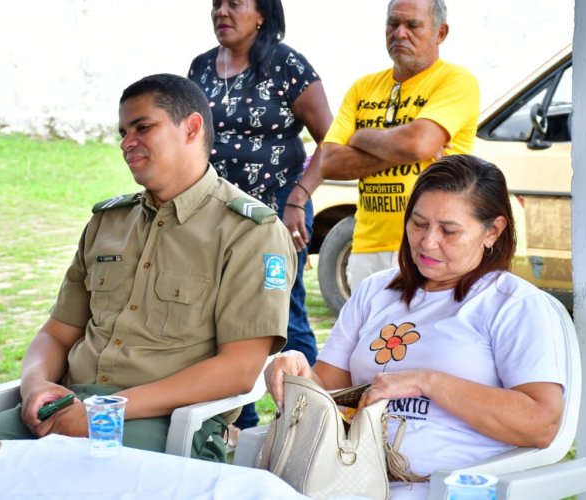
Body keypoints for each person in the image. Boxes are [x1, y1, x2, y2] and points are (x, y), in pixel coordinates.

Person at [0, 74, 297, 463]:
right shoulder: (108, 222)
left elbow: (238, 369)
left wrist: (103, 411)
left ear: (192, 127)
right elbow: (57, 332)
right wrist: (35, 384)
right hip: (63, 408)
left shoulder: (249, 233)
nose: (126, 143)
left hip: (163, 422)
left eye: (142, 127)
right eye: (122, 131)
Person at [266, 155, 566, 499]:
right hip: (346, 475)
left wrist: (428, 382)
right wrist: (293, 370)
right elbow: (327, 390)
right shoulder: (375, 291)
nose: (427, 241)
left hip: (438, 488)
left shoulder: (512, 304)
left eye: (449, 231)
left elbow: (542, 424)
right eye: (419, 224)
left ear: (492, 231)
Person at [188, 0, 333, 431]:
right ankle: (240, 425)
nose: (222, 11)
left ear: (263, 13)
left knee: (282, 315)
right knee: (222, 318)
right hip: (216, 215)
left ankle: (309, 425)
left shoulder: (287, 65)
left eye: (235, 3)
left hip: (276, 212)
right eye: (217, 4)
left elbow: (332, 140)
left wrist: (297, 200)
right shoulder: (200, 69)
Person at [320, 0, 480, 291]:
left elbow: (418, 142)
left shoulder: (456, 81)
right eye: (393, 24)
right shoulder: (362, 87)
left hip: (434, 244)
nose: (400, 33)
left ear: (440, 32)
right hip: (367, 247)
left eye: (413, 25)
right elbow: (328, 162)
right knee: (372, 337)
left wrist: (359, 137)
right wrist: (407, 149)